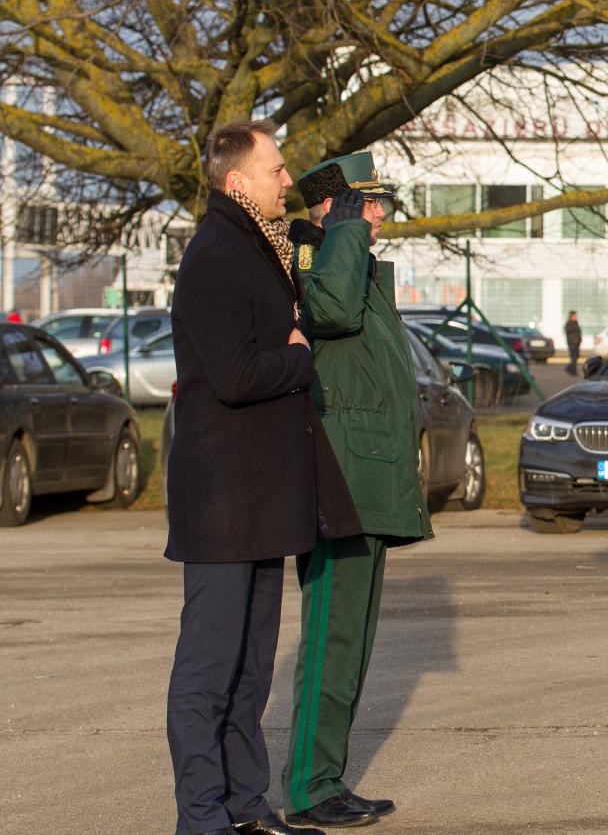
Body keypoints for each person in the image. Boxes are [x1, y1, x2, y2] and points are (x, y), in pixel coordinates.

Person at [165, 120, 360, 835]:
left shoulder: (263, 248)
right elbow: (237, 374)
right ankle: (202, 815)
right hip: (222, 500)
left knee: (250, 672)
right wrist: (300, 354)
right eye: (276, 169)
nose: (288, 180)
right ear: (237, 180)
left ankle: (247, 805)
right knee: (207, 673)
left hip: (262, 495)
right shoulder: (215, 255)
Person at [280, 152, 433, 828]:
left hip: (367, 474)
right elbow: (332, 313)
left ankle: (326, 778)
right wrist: (341, 231)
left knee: (353, 641)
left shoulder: (349, 259)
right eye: (368, 204)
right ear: (337, 208)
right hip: (342, 476)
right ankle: (310, 788)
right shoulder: (318, 259)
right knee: (331, 639)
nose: (379, 216)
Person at [564, 310, 583, 374]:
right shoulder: (569, 323)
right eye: (574, 316)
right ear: (571, 316)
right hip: (572, 344)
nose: (576, 317)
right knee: (574, 357)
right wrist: (574, 340)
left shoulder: (575, 323)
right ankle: (573, 372)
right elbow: (569, 332)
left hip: (577, 343)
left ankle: (568, 368)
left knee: (577, 356)